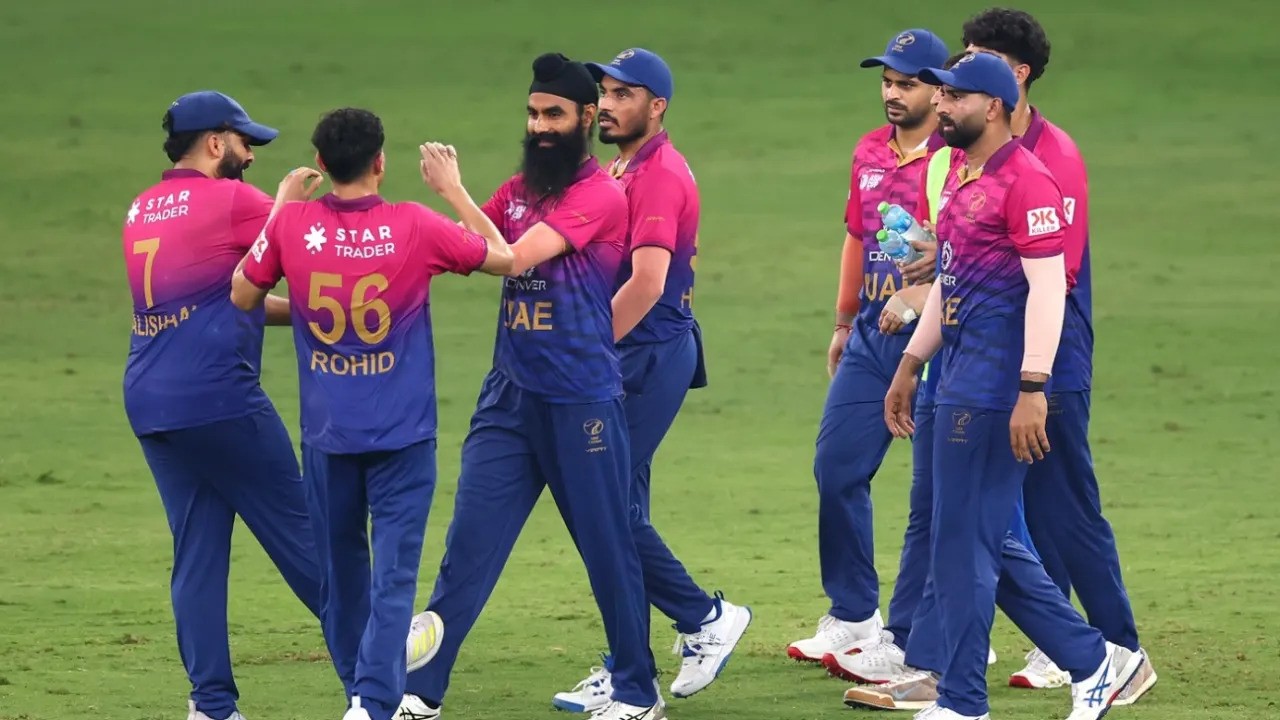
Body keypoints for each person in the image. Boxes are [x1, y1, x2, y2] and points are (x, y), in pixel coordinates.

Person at [879, 52, 1144, 720]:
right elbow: (951, 280)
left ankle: (968, 699)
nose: (940, 107)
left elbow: (1050, 291)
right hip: (953, 377)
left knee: (966, 543)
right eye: (940, 96)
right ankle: (1094, 661)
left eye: (954, 97)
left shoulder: (1028, 182)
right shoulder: (958, 173)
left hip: (996, 386)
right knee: (968, 537)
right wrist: (911, 362)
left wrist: (1032, 389)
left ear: (992, 106)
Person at [397, 53, 660, 720]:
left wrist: (453, 191)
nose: (540, 126)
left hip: (581, 399)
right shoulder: (518, 190)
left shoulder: (600, 196)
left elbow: (511, 259)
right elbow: (469, 244)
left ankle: (637, 691)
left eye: (554, 114)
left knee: (607, 546)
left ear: (586, 118)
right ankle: (421, 691)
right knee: (469, 546)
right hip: (510, 396)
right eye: (533, 113)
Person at [230, 108, 515, 720]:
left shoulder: (294, 226)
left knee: (340, 578)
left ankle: (360, 696)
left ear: (322, 162)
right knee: (394, 578)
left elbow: (243, 293)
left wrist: (281, 207)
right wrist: (454, 190)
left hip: (327, 435)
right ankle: (373, 703)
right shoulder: (415, 223)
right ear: (380, 162)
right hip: (403, 435)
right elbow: (506, 258)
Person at [545, 48, 751, 714]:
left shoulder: (658, 175)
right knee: (616, 510)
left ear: (656, 107)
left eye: (623, 95)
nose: (605, 105)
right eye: (603, 92)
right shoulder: (621, 168)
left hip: (647, 355)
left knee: (603, 507)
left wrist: (585, 348)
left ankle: (705, 618)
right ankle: (630, 666)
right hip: (627, 355)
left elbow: (648, 282)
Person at [960, 8, 1154, 700]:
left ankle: (1120, 649)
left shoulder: (1053, 157)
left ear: (1016, 75)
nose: (960, 72)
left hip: (1050, 362)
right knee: (1020, 510)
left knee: (1064, 508)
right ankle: (1066, 642)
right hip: (992, 359)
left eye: (977, 59)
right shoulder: (978, 151)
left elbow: (1053, 274)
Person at [121, 90, 322, 720]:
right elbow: (315, 246)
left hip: (151, 400)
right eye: (244, 143)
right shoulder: (233, 200)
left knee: (198, 554)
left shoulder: (141, 208)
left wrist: (312, 317)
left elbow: (230, 295)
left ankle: (210, 706)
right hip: (218, 398)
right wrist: (288, 204)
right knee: (303, 533)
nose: (251, 157)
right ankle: (384, 658)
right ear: (215, 143)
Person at [787, 28, 949, 664]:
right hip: (871, 338)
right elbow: (857, 237)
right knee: (836, 468)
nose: (891, 93)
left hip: (941, 340)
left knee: (941, 496)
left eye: (906, 83)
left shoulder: (955, 158)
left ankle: (937, 628)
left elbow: (978, 250)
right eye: (886, 81)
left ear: (939, 91)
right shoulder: (868, 151)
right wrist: (842, 321)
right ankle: (854, 615)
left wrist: (922, 294)